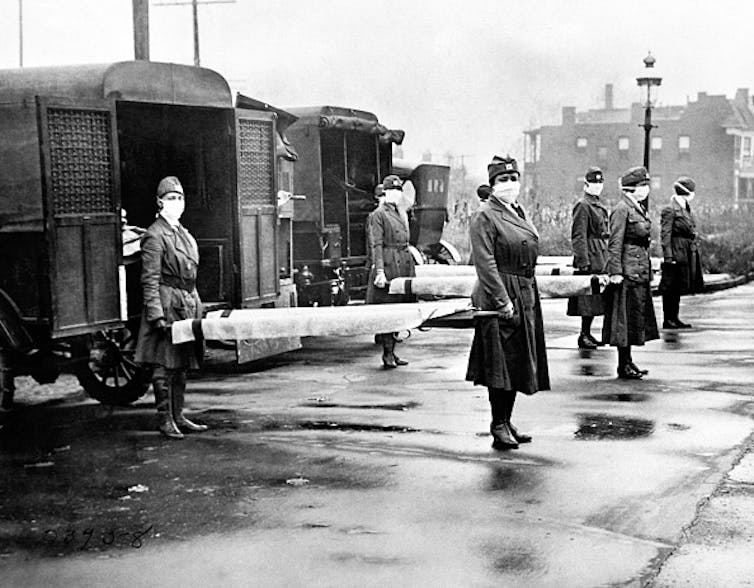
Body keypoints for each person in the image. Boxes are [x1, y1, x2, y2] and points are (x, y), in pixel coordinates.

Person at [466, 155, 550, 450]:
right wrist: (503, 301)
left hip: (523, 290)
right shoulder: (485, 216)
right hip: (499, 293)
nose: (510, 185)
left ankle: (507, 419)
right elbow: (485, 262)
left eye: (514, 179)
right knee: (499, 365)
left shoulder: (517, 211)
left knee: (516, 360)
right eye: (504, 180)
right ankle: (497, 423)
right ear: (492, 185)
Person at [134, 176, 207, 439]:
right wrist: (156, 315)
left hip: (185, 303)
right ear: (159, 202)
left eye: (179, 198)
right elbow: (150, 279)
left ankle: (179, 416)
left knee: (182, 362)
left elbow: (190, 275)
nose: (176, 203)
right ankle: (165, 419)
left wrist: (198, 306)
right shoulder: (155, 235)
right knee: (163, 365)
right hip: (166, 304)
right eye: (171, 198)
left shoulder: (183, 233)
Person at [602, 166, 659, 379]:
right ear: (631, 188)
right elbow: (614, 242)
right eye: (642, 185)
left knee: (633, 319)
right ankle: (622, 364)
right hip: (627, 271)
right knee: (623, 321)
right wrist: (615, 271)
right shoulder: (622, 209)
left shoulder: (636, 208)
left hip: (638, 270)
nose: (646, 189)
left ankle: (628, 362)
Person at [366, 175, 415, 368]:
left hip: (402, 262)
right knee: (389, 309)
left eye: (398, 190)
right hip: (388, 263)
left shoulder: (400, 212)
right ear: (385, 192)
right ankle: (387, 353)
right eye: (392, 190)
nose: (396, 194)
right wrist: (379, 271)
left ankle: (393, 352)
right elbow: (376, 245)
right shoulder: (378, 214)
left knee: (401, 309)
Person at [568, 166, 609, 349]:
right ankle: (583, 334)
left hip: (600, 253)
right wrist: (583, 260)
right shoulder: (583, 205)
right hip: (591, 255)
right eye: (594, 182)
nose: (597, 186)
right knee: (587, 299)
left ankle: (588, 333)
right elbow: (579, 235)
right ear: (586, 184)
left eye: (600, 182)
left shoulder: (596, 204)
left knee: (595, 299)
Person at [660, 176, 704, 328]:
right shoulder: (670, 209)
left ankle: (675, 317)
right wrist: (668, 256)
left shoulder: (685, 208)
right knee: (670, 286)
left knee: (678, 286)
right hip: (676, 249)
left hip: (686, 250)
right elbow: (665, 235)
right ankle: (668, 319)